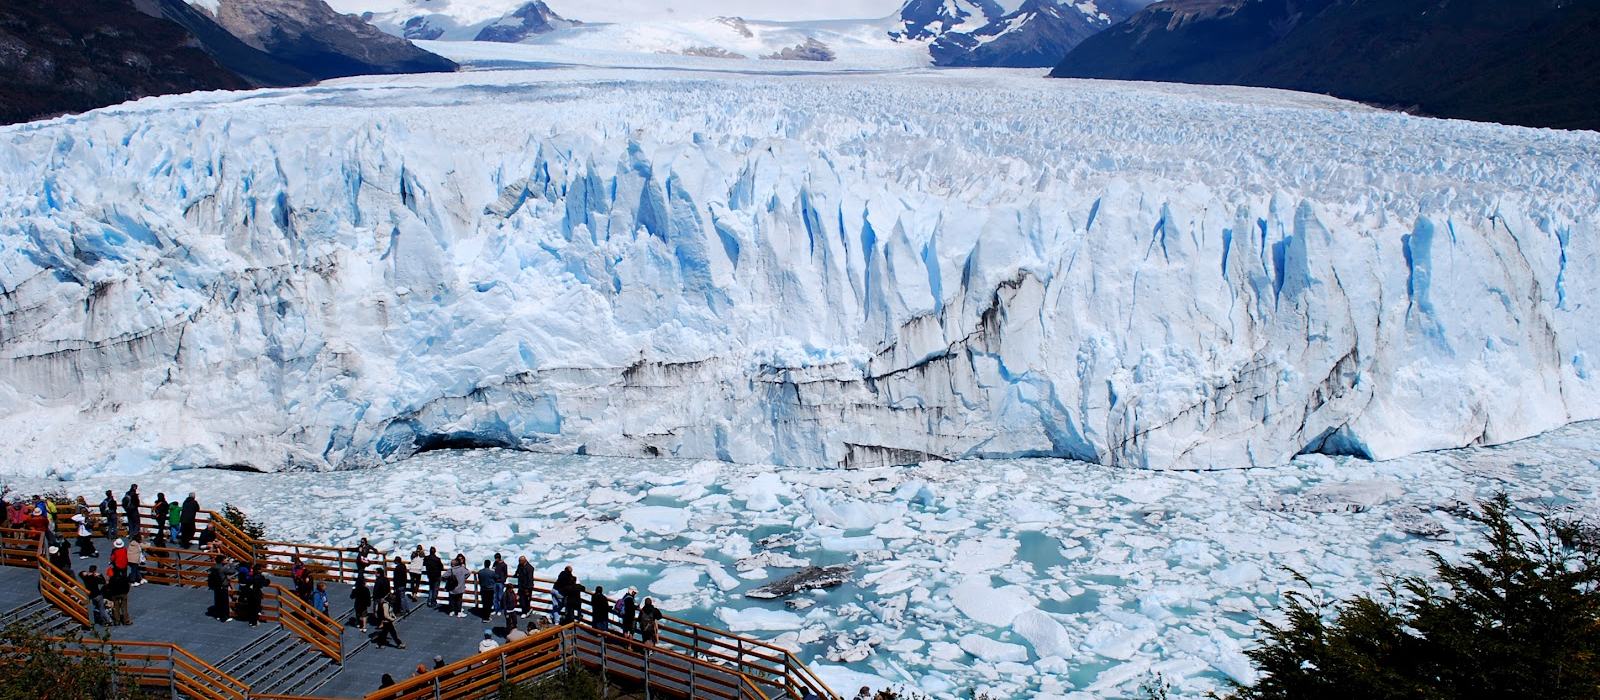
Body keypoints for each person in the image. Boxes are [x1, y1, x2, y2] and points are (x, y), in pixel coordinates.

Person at [207, 557, 232, 622]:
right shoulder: (222, 568)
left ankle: (218, 615)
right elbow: (232, 571)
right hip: (223, 587)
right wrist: (231, 565)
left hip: (216, 587)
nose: (226, 560)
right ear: (222, 561)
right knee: (224, 602)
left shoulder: (213, 568)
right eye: (225, 559)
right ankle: (225, 617)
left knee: (218, 601)